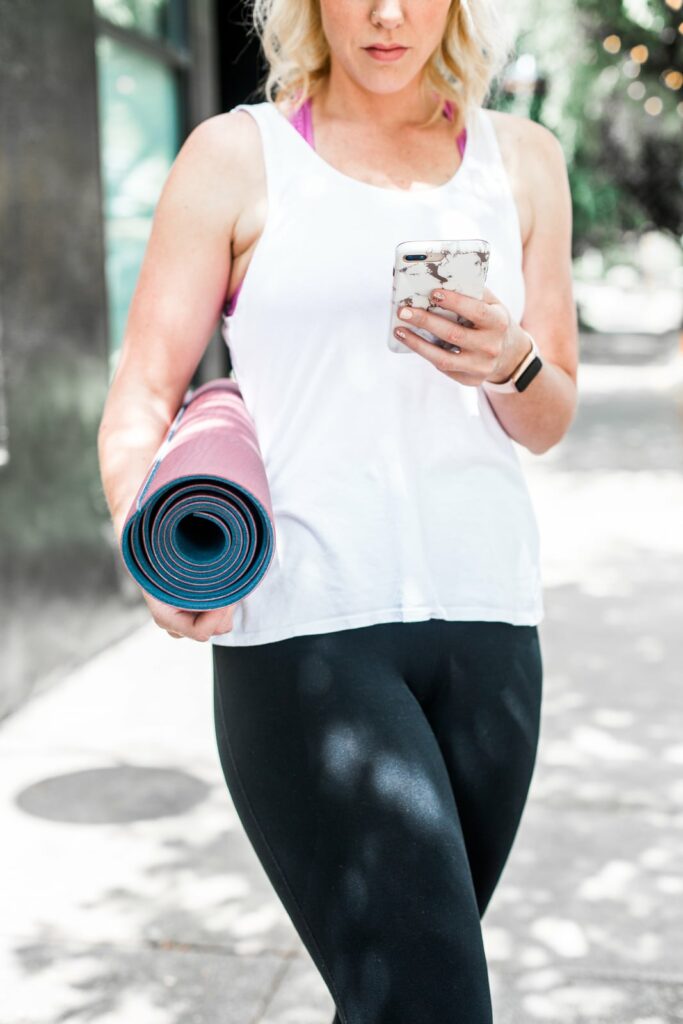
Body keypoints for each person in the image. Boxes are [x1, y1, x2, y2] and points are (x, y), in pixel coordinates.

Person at [98, 0, 579, 1020]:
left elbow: (546, 416)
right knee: (432, 1001)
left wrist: (509, 359)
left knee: (392, 990)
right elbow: (144, 389)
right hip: (304, 636)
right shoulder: (236, 157)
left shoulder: (522, 161)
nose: (387, 12)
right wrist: (147, 548)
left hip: (488, 630)